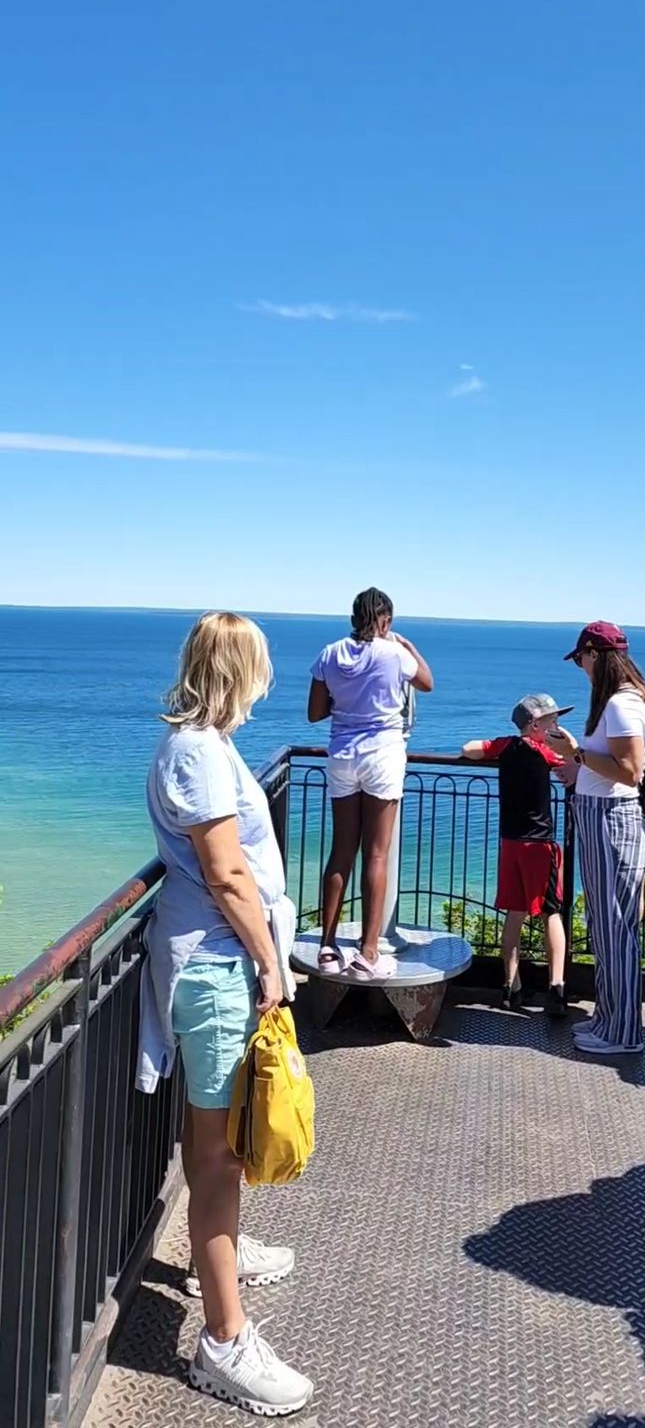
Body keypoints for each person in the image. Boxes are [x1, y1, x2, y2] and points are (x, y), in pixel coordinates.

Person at [136, 612, 313, 1417]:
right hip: (214, 969)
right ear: (242, 671)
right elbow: (227, 873)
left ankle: (224, 1256)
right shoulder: (200, 754)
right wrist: (271, 962)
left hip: (214, 960)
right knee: (217, 1157)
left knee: (217, 1143)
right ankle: (223, 1341)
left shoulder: (202, 745)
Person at [308, 587, 434, 979]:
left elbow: (315, 712)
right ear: (386, 621)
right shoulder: (395, 654)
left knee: (341, 851)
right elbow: (427, 682)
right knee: (376, 856)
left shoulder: (330, 653)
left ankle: (327, 946)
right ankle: (368, 951)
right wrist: (408, 645)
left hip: (342, 755)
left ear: (352, 618)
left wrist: (347, 704)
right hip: (383, 756)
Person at [548, 621, 645, 1057]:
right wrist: (580, 767)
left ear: (595, 654)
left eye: (581, 659)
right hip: (606, 816)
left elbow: (630, 772)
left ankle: (623, 1033)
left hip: (612, 820)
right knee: (608, 925)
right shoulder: (630, 699)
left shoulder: (620, 705)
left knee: (614, 928)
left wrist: (575, 752)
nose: (581, 667)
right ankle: (609, 1019)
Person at [462, 694, 571, 1015]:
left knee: (515, 912)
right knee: (551, 912)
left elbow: (469, 748)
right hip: (539, 844)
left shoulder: (505, 746)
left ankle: (511, 986)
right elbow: (573, 766)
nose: (556, 724)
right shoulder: (544, 752)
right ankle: (556, 988)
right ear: (535, 724)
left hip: (510, 842)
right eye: (551, 720)